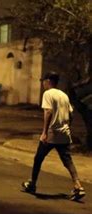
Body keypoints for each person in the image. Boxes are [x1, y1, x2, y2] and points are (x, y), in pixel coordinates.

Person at [22, 72, 86, 201]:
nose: (43, 83)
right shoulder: (64, 95)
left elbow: (48, 111)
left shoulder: (48, 94)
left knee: (38, 158)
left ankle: (32, 184)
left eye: (43, 81)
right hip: (64, 133)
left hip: (52, 133)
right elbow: (71, 114)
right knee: (68, 161)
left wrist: (45, 132)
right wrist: (67, 127)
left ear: (49, 81)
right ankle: (78, 186)